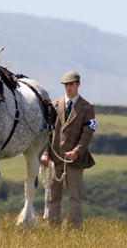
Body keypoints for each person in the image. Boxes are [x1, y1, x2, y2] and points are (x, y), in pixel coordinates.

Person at [40, 70, 97, 227]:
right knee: (52, 197)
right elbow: (47, 133)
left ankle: (75, 229)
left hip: (75, 160)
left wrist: (77, 152)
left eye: (71, 84)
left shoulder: (87, 107)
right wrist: (45, 153)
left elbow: (87, 134)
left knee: (75, 197)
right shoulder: (54, 106)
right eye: (66, 85)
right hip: (54, 158)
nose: (69, 88)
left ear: (78, 84)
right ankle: (52, 229)